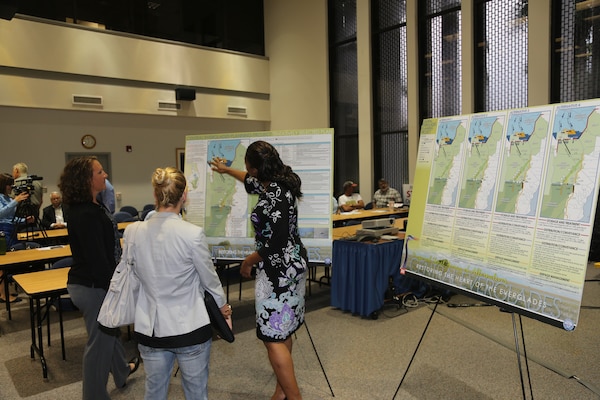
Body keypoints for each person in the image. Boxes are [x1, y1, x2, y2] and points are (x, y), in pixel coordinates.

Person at [211, 140, 307, 400]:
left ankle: (294, 397)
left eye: (247, 166)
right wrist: (226, 170)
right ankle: (282, 391)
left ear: (256, 168)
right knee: (282, 329)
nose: (246, 171)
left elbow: (275, 242)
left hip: (278, 271)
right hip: (292, 266)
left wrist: (248, 261)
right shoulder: (275, 181)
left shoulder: (274, 192)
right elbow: (247, 180)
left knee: (271, 336)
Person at [131, 167, 231, 400]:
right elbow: (210, 280)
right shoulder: (192, 234)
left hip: (150, 327)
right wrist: (223, 308)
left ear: (155, 195)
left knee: (154, 392)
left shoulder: (134, 232)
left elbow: (133, 276)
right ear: (184, 196)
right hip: (189, 327)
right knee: (196, 394)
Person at [58, 156, 139, 400]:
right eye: (100, 172)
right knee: (99, 344)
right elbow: (98, 260)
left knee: (109, 332)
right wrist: (115, 291)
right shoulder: (87, 214)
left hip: (87, 283)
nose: (105, 176)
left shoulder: (84, 207)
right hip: (94, 286)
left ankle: (122, 371)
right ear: (87, 179)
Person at [0, 172, 32, 303]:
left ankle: (4, 291)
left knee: (9, 262)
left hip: (11, 230)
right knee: (2, 265)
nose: (11, 187)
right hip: (2, 232)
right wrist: (15, 201)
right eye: (9, 184)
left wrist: (25, 220)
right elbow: (1, 214)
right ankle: (2, 294)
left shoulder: (7, 198)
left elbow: (11, 219)